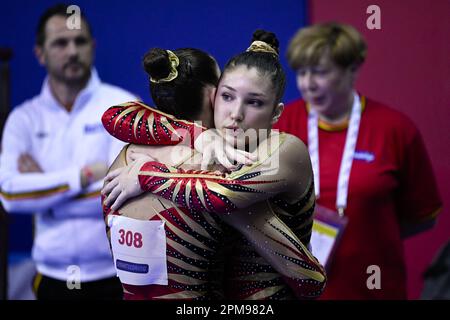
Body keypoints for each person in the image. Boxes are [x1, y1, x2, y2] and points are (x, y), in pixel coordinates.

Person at [102, 30, 326, 300]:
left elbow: (113, 115)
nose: (235, 114)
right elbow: (311, 279)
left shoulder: (126, 158)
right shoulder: (218, 169)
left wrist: (148, 173)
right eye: (227, 95)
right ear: (212, 96)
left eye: (253, 101)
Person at [273, 22, 442, 299]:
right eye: (301, 72)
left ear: (352, 69)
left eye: (320, 72)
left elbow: (422, 217)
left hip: (374, 288)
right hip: (296, 291)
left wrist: (371, 234)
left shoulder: (396, 129)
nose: (308, 83)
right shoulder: (282, 126)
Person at [0, 4, 136, 299]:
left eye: (80, 41)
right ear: (40, 53)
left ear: (93, 46)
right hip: (51, 278)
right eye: (60, 43)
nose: (72, 51)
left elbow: (123, 198)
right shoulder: (23, 119)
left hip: (116, 275)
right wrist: (84, 175)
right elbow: (9, 195)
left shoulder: (123, 108)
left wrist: (42, 193)